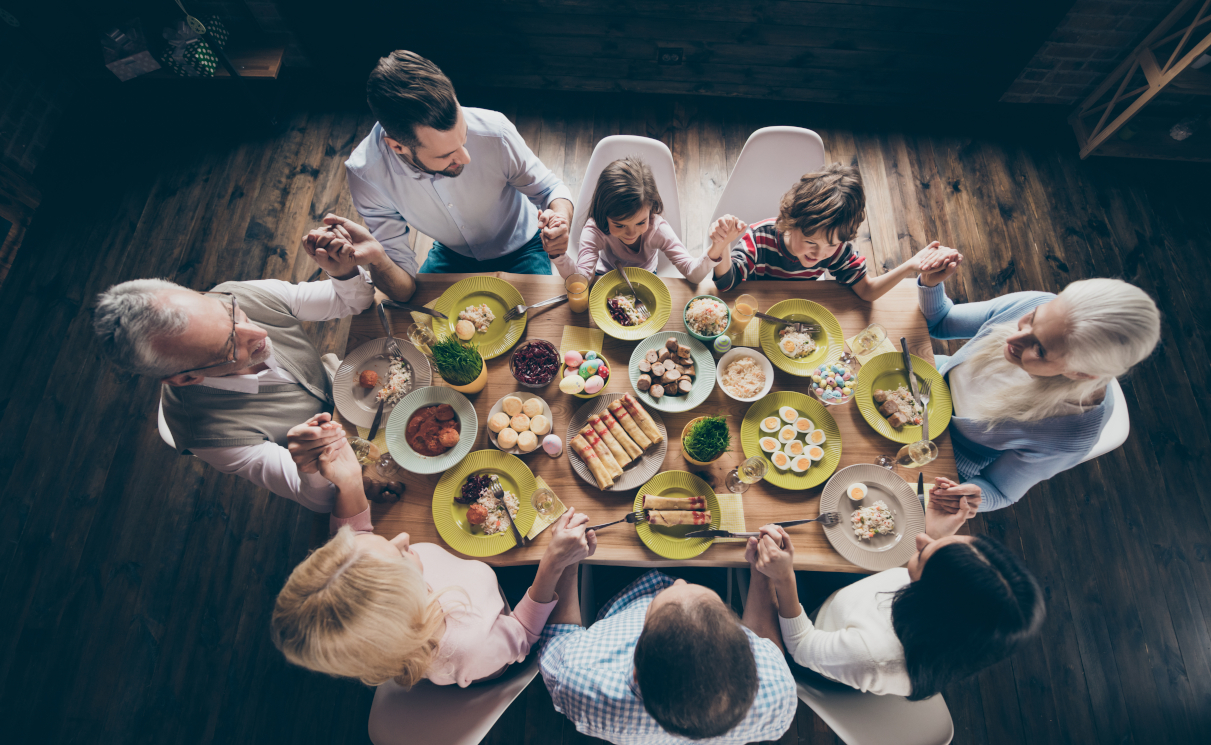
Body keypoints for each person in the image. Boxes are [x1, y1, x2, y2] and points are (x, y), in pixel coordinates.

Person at [92, 223, 397, 512]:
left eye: (232, 312)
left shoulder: (232, 294)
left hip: (361, 392)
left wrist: (343, 273)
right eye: (229, 346)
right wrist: (308, 467)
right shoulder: (207, 435)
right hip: (339, 462)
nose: (260, 335)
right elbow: (322, 500)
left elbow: (351, 302)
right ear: (187, 377)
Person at [271, 432, 596, 688]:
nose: (402, 538)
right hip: (504, 630)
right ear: (409, 603)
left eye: (376, 543)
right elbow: (522, 634)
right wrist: (553, 564)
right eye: (399, 555)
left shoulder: (372, 590)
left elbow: (355, 536)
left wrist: (350, 480)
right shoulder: (468, 646)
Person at [917, 255, 1161, 512]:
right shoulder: (1037, 303)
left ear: (1081, 374)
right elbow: (941, 320)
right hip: (925, 384)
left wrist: (970, 498)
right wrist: (931, 284)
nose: (1014, 337)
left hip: (946, 455)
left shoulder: (1071, 433)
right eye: (1034, 318)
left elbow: (999, 489)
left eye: (1041, 350)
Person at [746, 493, 1045, 699]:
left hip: (811, 645)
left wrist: (783, 579)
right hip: (844, 604)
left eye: (924, 553)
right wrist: (941, 536)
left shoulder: (870, 654)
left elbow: (802, 646)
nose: (920, 537)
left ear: (927, 600)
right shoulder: (954, 621)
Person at [343, 50, 574, 300]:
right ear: (397, 146)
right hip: (452, 255)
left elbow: (550, 189)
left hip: (525, 247)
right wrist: (378, 259)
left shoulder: (495, 130)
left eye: (464, 137)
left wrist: (560, 219)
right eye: (446, 155)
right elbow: (404, 290)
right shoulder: (366, 175)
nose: (466, 158)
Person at [537, 563, 797, 743]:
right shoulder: (777, 693)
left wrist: (568, 565)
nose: (679, 581)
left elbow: (558, 635)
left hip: (622, 587)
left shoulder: (578, 677)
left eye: (652, 612)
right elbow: (767, 644)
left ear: (635, 670)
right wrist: (763, 574)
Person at [708, 163, 951, 301]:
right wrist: (722, 246)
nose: (820, 254)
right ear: (790, 220)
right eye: (810, 242)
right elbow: (727, 284)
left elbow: (866, 291)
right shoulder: (760, 238)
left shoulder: (837, 250)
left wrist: (910, 266)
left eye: (832, 245)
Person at [564, 156, 719, 282]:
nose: (631, 233)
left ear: (651, 209)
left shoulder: (657, 229)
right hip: (605, 274)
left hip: (646, 276)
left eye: (640, 222)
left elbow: (692, 273)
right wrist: (558, 257)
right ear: (604, 214)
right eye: (619, 225)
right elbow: (582, 280)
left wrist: (715, 249)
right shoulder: (595, 230)